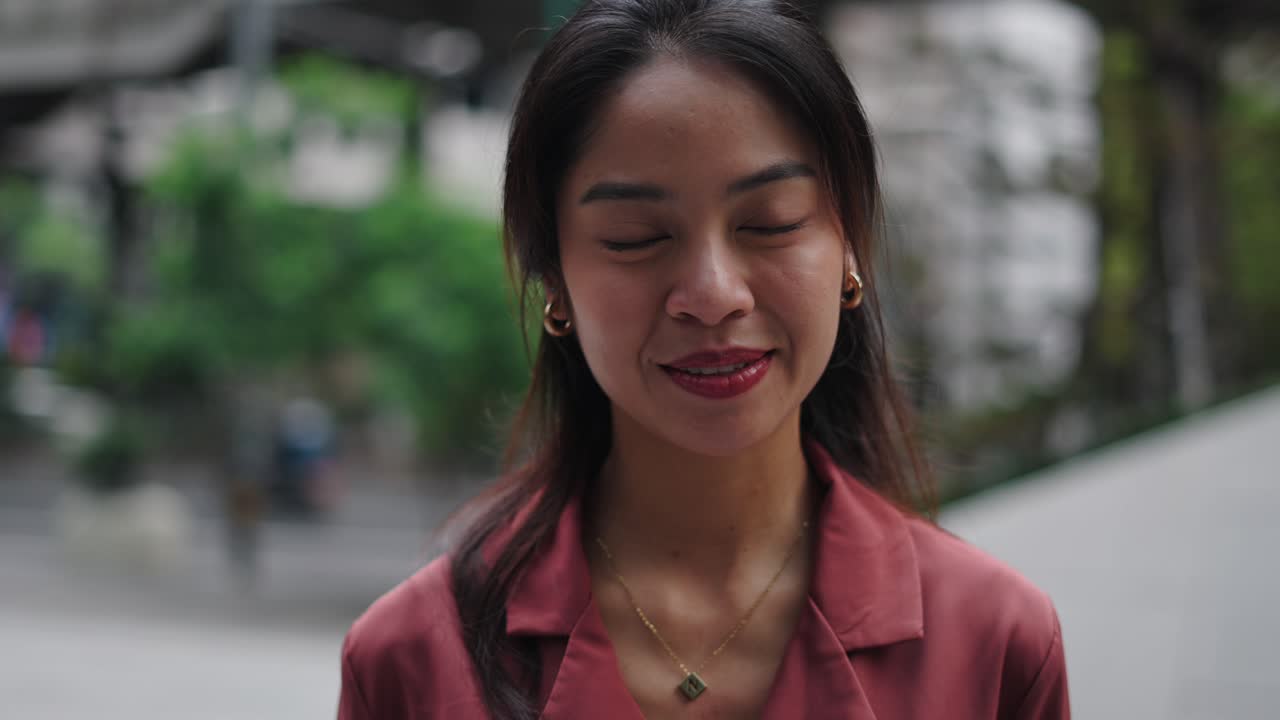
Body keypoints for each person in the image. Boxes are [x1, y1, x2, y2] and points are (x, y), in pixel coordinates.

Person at [337, 1, 1068, 718]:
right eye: (633, 236)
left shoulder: (992, 644)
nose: (713, 295)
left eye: (769, 223)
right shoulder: (416, 661)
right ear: (553, 279)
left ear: (850, 250)